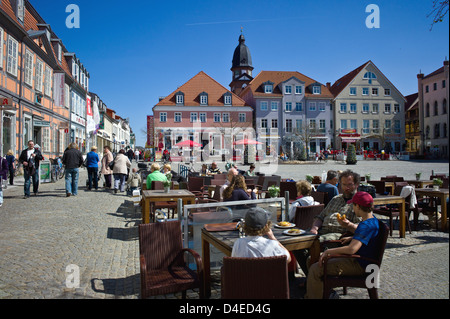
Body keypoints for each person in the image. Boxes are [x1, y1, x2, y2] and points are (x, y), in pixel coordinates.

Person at [305, 192, 380, 299]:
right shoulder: (372, 220)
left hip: (360, 265)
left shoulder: (366, 225)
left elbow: (351, 249)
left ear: (357, 206)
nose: (353, 209)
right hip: (362, 261)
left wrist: (328, 252)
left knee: (315, 268)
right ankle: (324, 293)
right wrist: (352, 238)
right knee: (312, 260)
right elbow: (368, 236)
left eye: (353, 205)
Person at [294, 170, 362, 276]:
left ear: (357, 185)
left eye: (350, 185)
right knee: (296, 244)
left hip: (338, 235)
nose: (346, 188)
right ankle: (312, 277)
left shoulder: (359, 203)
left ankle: (317, 280)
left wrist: (348, 225)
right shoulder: (336, 199)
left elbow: (362, 229)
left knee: (313, 245)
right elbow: (320, 217)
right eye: (344, 184)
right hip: (321, 230)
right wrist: (314, 228)